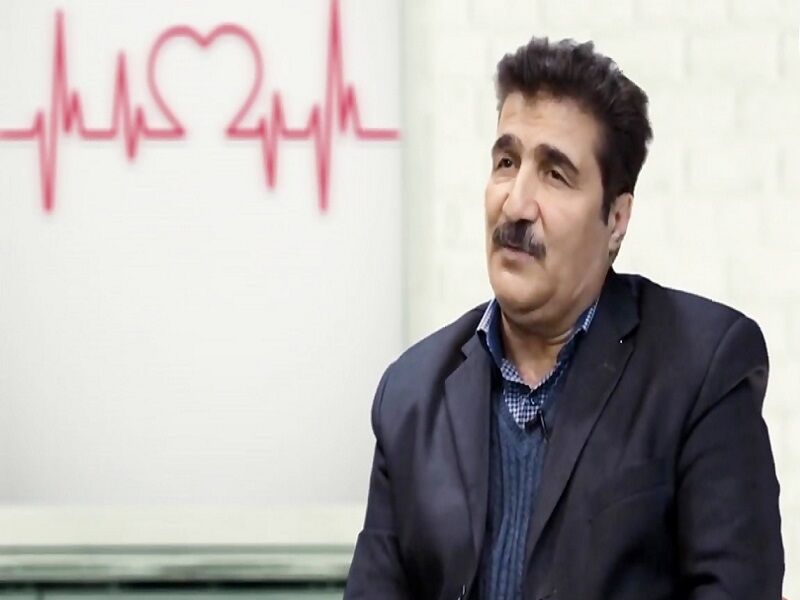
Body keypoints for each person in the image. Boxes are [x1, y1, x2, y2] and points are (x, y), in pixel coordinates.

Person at [344, 37, 784, 600]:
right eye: (507, 163)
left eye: (555, 174)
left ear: (616, 220)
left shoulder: (701, 369)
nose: (516, 204)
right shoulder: (411, 394)